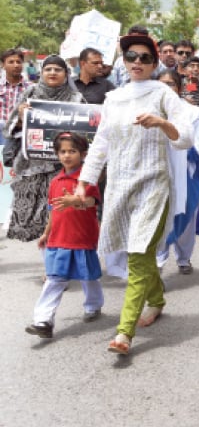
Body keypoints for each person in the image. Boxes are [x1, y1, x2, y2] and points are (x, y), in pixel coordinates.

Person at [75, 34, 194, 355]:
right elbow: (101, 144)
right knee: (136, 253)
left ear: (155, 63)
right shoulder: (114, 98)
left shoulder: (163, 93)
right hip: (119, 186)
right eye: (131, 56)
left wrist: (162, 123)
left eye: (144, 57)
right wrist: (83, 183)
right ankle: (156, 299)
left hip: (154, 185)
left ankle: (124, 333)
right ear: (124, 61)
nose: (137, 63)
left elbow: (186, 137)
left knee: (140, 254)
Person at [25, 132, 103, 339]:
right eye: (62, 151)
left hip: (82, 237)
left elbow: (92, 202)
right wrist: (46, 233)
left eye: (72, 151)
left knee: (89, 276)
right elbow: (53, 210)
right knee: (55, 279)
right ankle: (43, 321)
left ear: (83, 153)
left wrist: (76, 201)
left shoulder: (86, 180)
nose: (67, 155)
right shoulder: (55, 181)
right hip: (58, 239)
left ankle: (93, 305)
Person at [4, 55, 86, 242]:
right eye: (48, 69)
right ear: (41, 73)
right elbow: (11, 129)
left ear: (66, 74)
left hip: (63, 167)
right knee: (33, 221)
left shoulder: (75, 98)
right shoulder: (31, 94)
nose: (52, 73)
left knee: (60, 215)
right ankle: (50, 260)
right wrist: (20, 117)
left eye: (58, 69)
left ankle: (56, 262)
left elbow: (87, 130)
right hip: (32, 165)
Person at [155, 69, 199, 275]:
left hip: (186, 176)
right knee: (158, 221)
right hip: (157, 175)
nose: (166, 88)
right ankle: (158, 265)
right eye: (161, 84)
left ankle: (183, 258)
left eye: (170, 84)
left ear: (179, 88)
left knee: (185, 219)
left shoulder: (193, 113)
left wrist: (185, 149)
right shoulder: (147, 112)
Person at [1, 49, 31, 134]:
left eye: (18, 62)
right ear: (3, 65)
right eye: (11, 62)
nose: (16, 65)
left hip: (20, 134)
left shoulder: (31, 89)